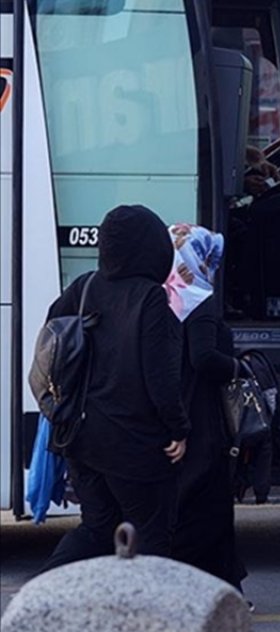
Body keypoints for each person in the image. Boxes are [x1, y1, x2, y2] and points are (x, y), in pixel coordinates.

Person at [40, 205, 190, 572]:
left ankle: (41, 591)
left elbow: (52, 344)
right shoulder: (150, 297)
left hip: (79, 435)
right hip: (132, 441)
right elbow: (159, 374)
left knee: (97, 527)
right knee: (153, 534)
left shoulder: (84, 285)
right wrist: (178, 428)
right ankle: (151, 619)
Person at [166, 224, 247, 591]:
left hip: (179, 409)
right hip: (202, 417)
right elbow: (204, 358)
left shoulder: (168, 295)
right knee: (208, 506)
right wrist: (236, 366)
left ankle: (227, 585)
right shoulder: (198, 300)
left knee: (204, 506)